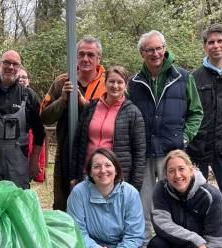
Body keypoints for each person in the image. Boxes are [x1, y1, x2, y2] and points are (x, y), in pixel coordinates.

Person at [128, 30, 203, 243]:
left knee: (174, 198)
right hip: (142, 151)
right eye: (150, 49)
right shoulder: (134, 82)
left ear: (165, 48)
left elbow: (196, 112)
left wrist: (184, 138)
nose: (155, 53)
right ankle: (143, 245)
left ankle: (176, 242)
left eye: (159, 48)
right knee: (143, 200)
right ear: (142, 53)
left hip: (171, 152)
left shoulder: (183, 77)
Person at [67, 148, 144, 248]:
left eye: (108, 165)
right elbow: (76, 231)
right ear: (90, 172)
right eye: (97, 166)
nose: (103, 170)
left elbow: (134, 235)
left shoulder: (130, 194)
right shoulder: (78, 193)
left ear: (116, 170)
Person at [42, 36, 106, 210]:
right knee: (63, 204)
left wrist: (84, 104)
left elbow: (114, 118)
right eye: (81, 54)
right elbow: (45, 117)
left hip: (96, 154)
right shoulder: (62, 81)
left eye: (91, 55)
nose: (85, 59)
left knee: (94, 205)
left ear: (99, 58)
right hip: (65, 154)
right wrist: (62, 100)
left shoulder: (108, 83)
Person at [188, 24, 222, 230]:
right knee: (195, 200)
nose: (216, 46)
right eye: (211, 42)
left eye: (220, 41)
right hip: (198, 148)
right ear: (205, 46)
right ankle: (198, 242)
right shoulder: (194, 77)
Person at [70, 66, 146, 191]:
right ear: (105, 83)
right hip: (88, 173)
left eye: (120, 82)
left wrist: (134, 186)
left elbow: (139, 153)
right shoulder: (91, 107)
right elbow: (78, 143)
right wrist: (73, 175)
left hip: (115, 177)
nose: (115, 86)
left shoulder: (133, 112)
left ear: (125, 85)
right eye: (111, 81)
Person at [0, 50, 46, 189]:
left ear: (19, 68)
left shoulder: (29, 96)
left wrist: (34, 160)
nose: (11, 67)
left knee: (18, 200)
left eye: (15, 64)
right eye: (7, 62)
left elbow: (39, 132)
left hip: (19, 165)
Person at [18, 67, 46, 182]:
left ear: (28, 80)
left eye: (24, 77)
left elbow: (40, 130)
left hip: (30, 141)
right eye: (19, 77)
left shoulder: (33, 98)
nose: (21, 80)